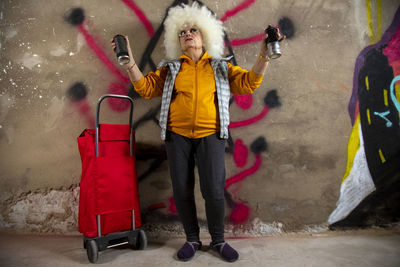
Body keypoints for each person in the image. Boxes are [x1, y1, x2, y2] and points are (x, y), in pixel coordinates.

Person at [112, 3, 284, 262]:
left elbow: (249, 84)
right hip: (176, 137)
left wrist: (264, 56)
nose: (187, 34)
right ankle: (192, 240)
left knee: (214, 190)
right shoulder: (171, 69)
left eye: (193, 30)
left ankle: (218, 241)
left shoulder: (220, 66)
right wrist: (130, 63)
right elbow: (146, 89)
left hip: (211, 136)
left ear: (205, 36)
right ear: (177, 41)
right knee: (181, 190)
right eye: (182, 33)